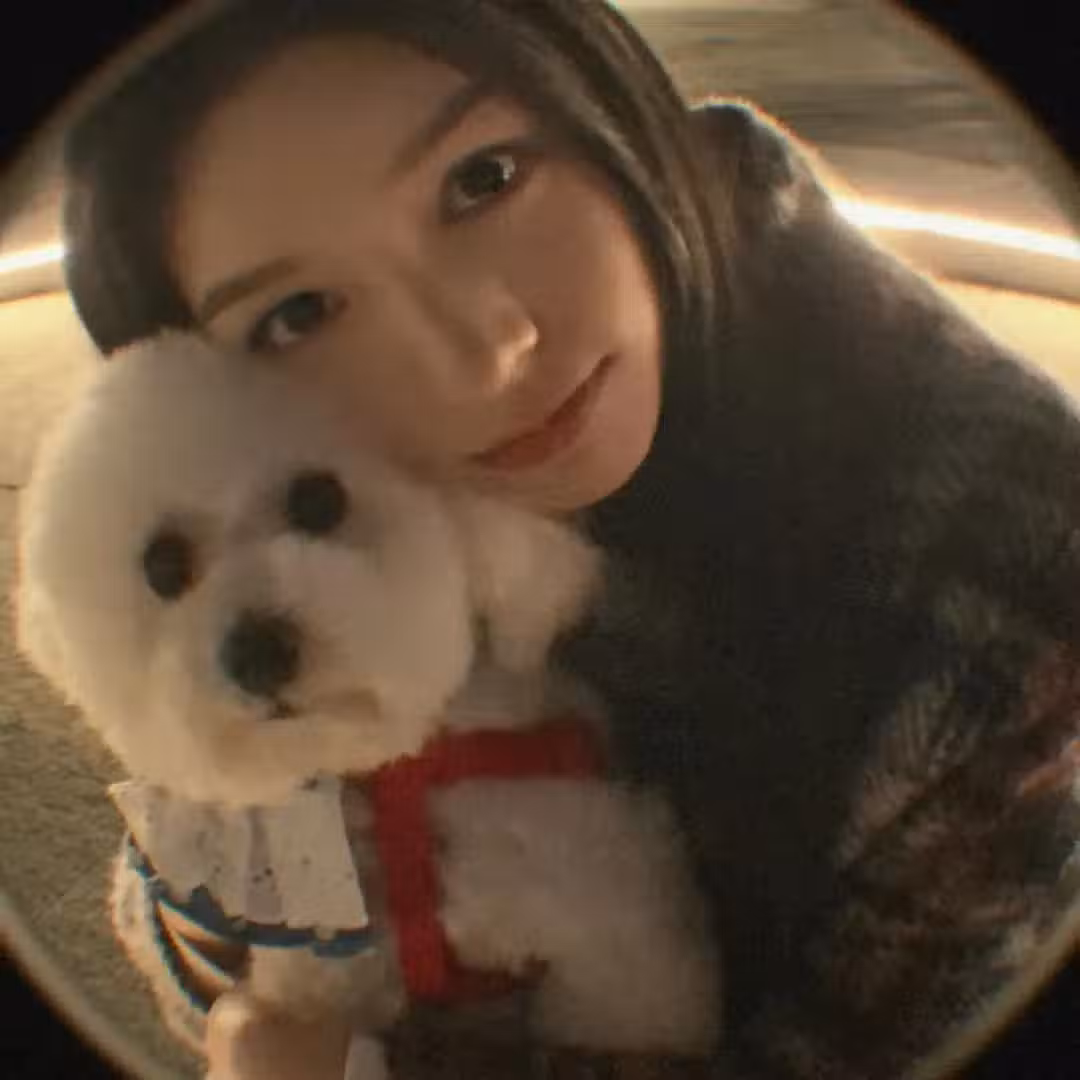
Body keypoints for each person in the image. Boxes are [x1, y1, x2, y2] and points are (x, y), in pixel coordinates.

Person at [59, 1, 1080, 1078]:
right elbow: (202, 888)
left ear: (598, 99)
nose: (485, 352)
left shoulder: (1008, 588)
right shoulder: (287, 491)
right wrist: (234, 912)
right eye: (301, 311)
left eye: (484, 179)